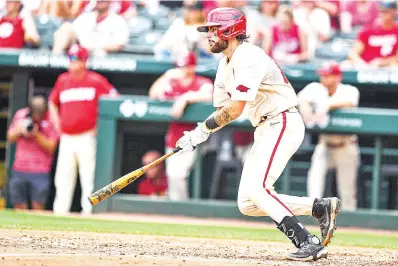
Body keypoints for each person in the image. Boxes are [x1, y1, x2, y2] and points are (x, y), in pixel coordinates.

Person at [175, 7, 340, 261]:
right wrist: (197, 135)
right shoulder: (224, 64)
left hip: (282, 120)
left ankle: (307, 241)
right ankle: (319, 207)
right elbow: (223, 109)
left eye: (213, 29)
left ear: (230, 30)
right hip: (264, 127)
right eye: (207, 30)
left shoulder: (249, 55)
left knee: (258, 188)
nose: (208, 35)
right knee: (248, 203)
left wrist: (200, 131)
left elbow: (236, 108)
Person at [49, 44, 119, 215]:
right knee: (63, 177)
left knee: (88, 176)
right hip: (67, 137)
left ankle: (89, 211)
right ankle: (60, 212)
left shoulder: (95, 80)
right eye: (70, 59)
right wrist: (57, 125)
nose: (71, 63)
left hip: (87, 136)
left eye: (75, 59)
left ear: (84, 61)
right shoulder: (63, 80)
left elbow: (114, 97)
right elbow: (52, 102)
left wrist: (100, 126)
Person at [149, 51, 213, 201]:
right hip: (175, 136)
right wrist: (166, 77)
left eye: (185, 67)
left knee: (177, 173)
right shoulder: (172, 83)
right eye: (180, 67)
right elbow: (153, 94)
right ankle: (178, 207)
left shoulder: (201, 83)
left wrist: (186, 98)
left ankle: (180, 208)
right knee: (173, 174)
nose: (182, 70)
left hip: (197, 137)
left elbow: (210, 95)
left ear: (193, 67)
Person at [298, 61, 360, 211]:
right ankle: (312, 211)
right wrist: (306, 109)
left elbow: (351, 102)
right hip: (325, 144)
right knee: (314, 177)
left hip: (346, 145)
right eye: (323, 75)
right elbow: (300, 97)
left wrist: (326, 105)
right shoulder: (316, 88)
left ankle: (350, 224)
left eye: (328, 75)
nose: (324, 79)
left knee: (347, 190)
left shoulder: (349, 90)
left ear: (338, 77)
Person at [7, 96, 58, 210]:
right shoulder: (21, 115)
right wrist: (19, 130)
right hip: (19, 168)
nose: (37, 117)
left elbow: (51, 147)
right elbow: (10, 137)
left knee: (38, 206)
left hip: (40, 170)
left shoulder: (51, 118)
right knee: (19, 205)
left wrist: (36, 134)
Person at [52, 0, 129, 56]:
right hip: (79, 52)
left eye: (103, 1)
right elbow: (72, 33)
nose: (100, 2)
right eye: (99, 1)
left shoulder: (118, 20)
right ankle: (54, 59)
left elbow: (119, 45)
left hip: (100, 52)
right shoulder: (85, 17)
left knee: (100, 54)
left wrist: (97, 48)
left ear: (110, 2)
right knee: (66, 26)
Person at [346, 0, 398, 68]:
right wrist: (360, 63)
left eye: (386, 12)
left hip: (388, 67)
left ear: (394, 12)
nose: (383, 14)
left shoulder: (396, 31)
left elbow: (396, 58)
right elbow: (353, 53)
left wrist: (382, 62)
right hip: (365, 66)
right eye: (381, 11)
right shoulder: (368, 30)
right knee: (346, 65)